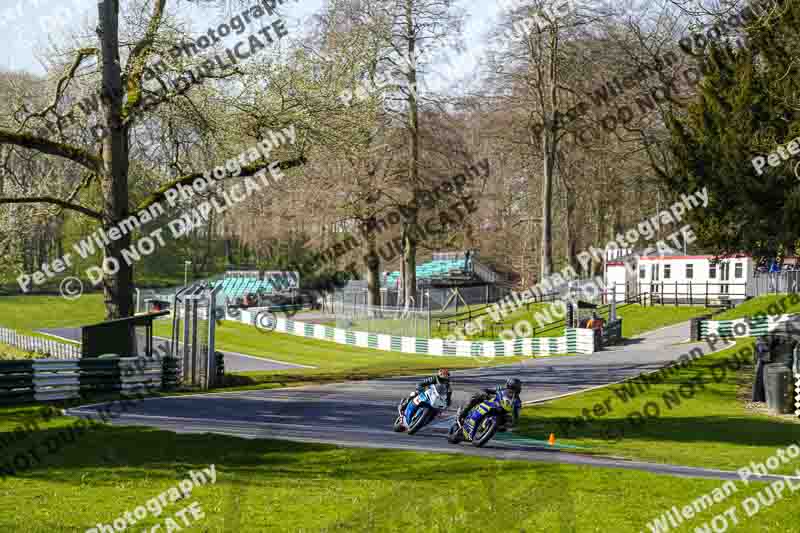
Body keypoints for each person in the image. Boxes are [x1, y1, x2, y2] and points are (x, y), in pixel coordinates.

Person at [457, 378, 522, 428]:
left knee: (509, 420)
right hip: (494, 404)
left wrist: (513, 422)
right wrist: (486, 392)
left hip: (502, 412)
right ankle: (463, 412)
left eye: (514, 389)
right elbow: (490, 390)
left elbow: (516, 414)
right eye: (511, 387)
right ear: (507, 386)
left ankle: (495, 427)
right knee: (477, 396)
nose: (512, 390)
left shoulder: (518, 401)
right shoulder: (501, 389)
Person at [753, 336, 772, 402]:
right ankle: (759, 398)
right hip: (764, 357)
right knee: (760, 377)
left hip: (764, 355)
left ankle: (761, 398)